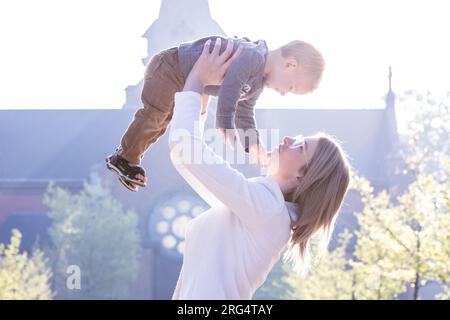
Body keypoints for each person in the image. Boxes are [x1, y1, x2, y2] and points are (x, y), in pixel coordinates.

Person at [169, 40, 350, 299]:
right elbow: (187, 160)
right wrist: (201, 101)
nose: (288, 140)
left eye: (300, 147)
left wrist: (197, 78)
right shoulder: (262, 209)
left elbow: (185, 152)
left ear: (303, 177)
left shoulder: (267, 208)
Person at [106, 35, 325, 191]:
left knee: (163, 120)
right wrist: (225, 123)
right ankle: (124, 157)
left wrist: (255, 147)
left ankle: (128, 157)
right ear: (290, 64)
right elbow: (231, 85)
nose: (284, 94)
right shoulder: (253, 56)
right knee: (155, 114)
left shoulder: (257, 84)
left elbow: (245, 113)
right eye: (291, 88)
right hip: (170, 66)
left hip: (181, 80)